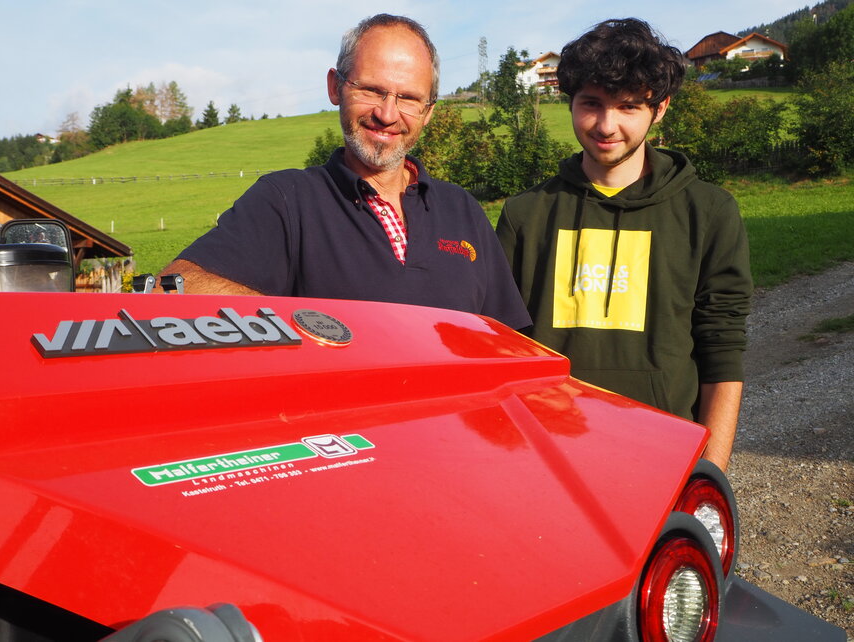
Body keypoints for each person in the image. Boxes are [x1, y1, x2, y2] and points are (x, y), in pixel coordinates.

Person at [160, 14, 531, 331]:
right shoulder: (287, 200)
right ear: (335, 87)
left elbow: (505, 340)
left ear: (428, 111)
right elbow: (172, 286)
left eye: (408, 98)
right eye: (371, 90)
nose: (387, 114)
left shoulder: (462, 210)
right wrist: (311, 326)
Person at [496, 18, 752, 471]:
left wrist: (710, 474)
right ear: (569, 101)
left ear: (661, 108)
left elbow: (722, 351)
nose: (606, 125)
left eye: (629, 106)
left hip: (665, 456)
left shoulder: (709, 212)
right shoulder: (525, 215)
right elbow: (502, 351)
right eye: (591, 103)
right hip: (545, 455)